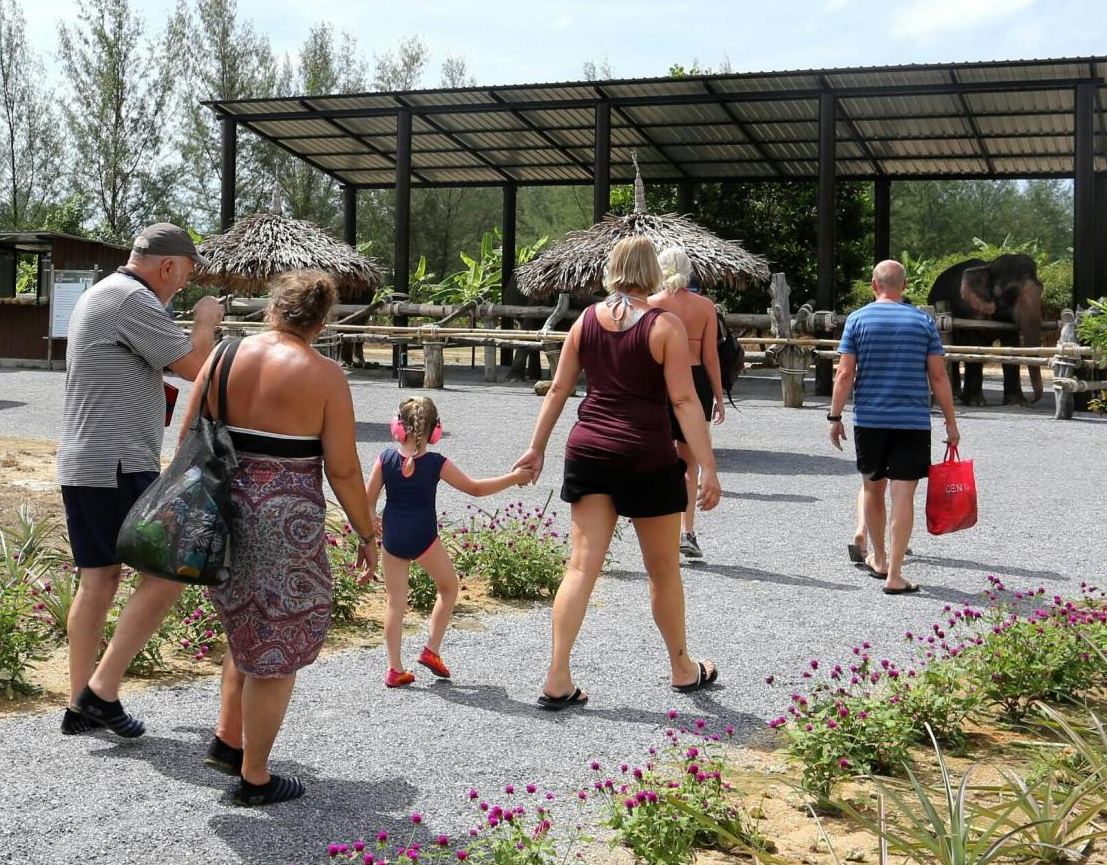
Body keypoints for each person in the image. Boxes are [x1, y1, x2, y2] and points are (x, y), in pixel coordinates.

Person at [183, 269, 377, 805]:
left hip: (220, 514)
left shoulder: (223, 356)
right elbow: (341, 469)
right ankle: (256, 776)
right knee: (277, 646)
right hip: (284, 527)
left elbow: (187, 439)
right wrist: (366, 531)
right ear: (321, 322)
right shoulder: (325, 376)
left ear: (274, 309)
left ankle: (228, 740)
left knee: (244, 626)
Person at [512, 236, 722, 711]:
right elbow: (686, 401)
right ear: (652, 273)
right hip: (646, 456)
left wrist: (535, 448)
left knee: (581, 567)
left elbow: (559, 389)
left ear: (610, 269)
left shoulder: (585, 320)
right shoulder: (664, 325)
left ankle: (557, 676)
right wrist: (708, 465)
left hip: (589, 450)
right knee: (664, 572)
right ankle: (683, 669)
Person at [56, 224, 225, 740]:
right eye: (185, 276)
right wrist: (206, 322)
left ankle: (80, 703)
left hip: (90, 461)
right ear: (169, 266)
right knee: (172, 569)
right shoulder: (133, 299)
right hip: (117, 463)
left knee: (99, 579)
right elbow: (199, 368)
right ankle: (101, 692)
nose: (183, 287)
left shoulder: (105, 292)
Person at [363, 394, 530, 687]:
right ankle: (431, 650)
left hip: (393, 538)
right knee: (449, 587)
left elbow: (366, 501)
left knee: (395, 603)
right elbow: (475, 489)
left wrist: (371, 519)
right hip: (424, 537)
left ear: (397, 427)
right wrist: (513, 477)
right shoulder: (436, 463)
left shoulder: (384, 459)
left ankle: (394, 669)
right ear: (435, 431)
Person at [829, 259, 960, 596]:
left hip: (870, 420)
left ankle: (881, 559)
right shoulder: (923, 321)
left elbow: (844, 373)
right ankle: (896, 574)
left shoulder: (857, 320)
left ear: (874, 285)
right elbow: (939, 375)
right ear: (904, 286)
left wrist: (834, 416)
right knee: (904, 495)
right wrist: (950, 420)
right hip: (912, 422)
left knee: (873, 490)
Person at [647, 245, 727, 562]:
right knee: (689, 463)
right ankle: (687, 532)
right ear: (688, 270)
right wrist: (720, 396)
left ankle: (658, 528)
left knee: (656, 458)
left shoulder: (652, 304)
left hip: (661, 381)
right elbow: (710, 356)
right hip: (696, 382)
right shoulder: (705, 306)